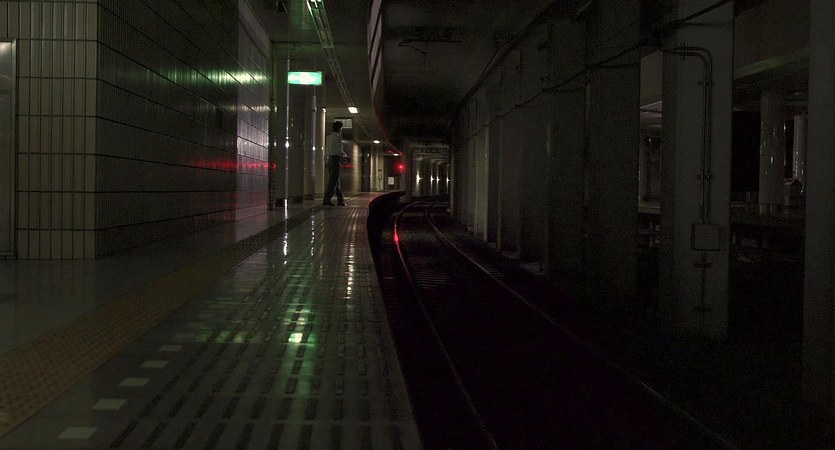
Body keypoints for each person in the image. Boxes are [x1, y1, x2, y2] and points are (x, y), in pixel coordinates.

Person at [323, 121, 348, 206]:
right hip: (335, 160)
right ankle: (326, 200)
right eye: (341, 128)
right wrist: (345, 157)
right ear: (339, 128)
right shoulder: (338, 137)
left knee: (336, 181)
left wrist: (326, 161)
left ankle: (340, 200)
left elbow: (327, 150)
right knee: (333, 182)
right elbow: (339, 150)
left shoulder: (328, 137)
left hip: (330, 160)